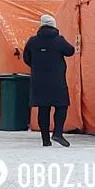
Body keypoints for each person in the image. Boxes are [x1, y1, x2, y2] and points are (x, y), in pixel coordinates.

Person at [22, 14, 75, 147]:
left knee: (43, 108)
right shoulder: (59, 40)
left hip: (39, 79)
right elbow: (70, 51)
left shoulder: (32, 41)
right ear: (54, 25)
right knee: (61, 105)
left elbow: (26, 58)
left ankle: (45, 139)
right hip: (57, 79)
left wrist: (37, 66)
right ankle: (57, 133)